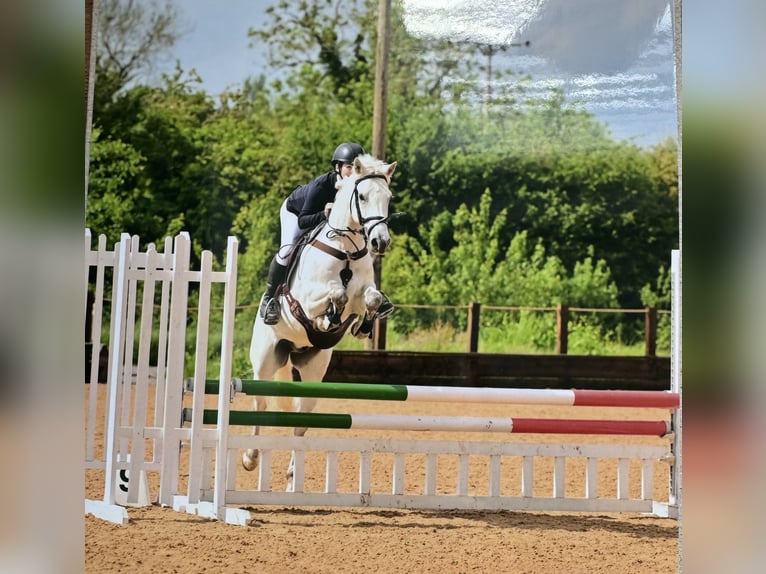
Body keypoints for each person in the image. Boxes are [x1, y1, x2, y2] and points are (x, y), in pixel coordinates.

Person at [259, 141, 392, 325]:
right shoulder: (322, 185)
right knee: (287, 251)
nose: (352, 172)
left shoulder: (356, 188)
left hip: (324, 220)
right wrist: (324, 214)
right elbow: (303, 220)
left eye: (356, 168)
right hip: (296, 213)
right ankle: (269, 299)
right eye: (348, 167)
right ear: (337, 167)